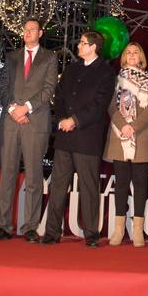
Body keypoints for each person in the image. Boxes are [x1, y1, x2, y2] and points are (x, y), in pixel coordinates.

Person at [41, 31, 115, 247]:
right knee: (57, 186)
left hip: (87, 137)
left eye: (83, 43)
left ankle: (91, 233)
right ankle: (52, 232)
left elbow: (99, 105)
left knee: (89, 187)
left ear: (94, 47)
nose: (79, 46)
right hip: (65, 136)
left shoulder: (106, 72)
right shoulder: (72, 69)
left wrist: (75, 120)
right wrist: (63, 118)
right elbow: (60, 96)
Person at [0, 17, 58, 243]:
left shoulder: (50, 57)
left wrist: (26, 108)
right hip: (10, 123)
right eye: (25, 29)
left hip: (35, 122)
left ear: (40, 32)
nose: (28, 33)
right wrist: (13, 109)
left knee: (34, 176)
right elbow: (2, 88)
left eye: (32, 29)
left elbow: (48, 90)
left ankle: (29, 226)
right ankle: (3, 226)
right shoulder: (11, 57)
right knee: (7, 173)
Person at [104, 42, 148, 247]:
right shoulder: (116, 79)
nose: (133, 55)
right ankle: (118, 229)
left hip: (141, 137)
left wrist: (133, 126)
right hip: (119, 136)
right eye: (129, 52)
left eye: (136, 52)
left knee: (140, 183)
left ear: (141, 57)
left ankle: (137, 230)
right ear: (124, 57)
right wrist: (122, 125)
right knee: (121, 184)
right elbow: (110, 106)